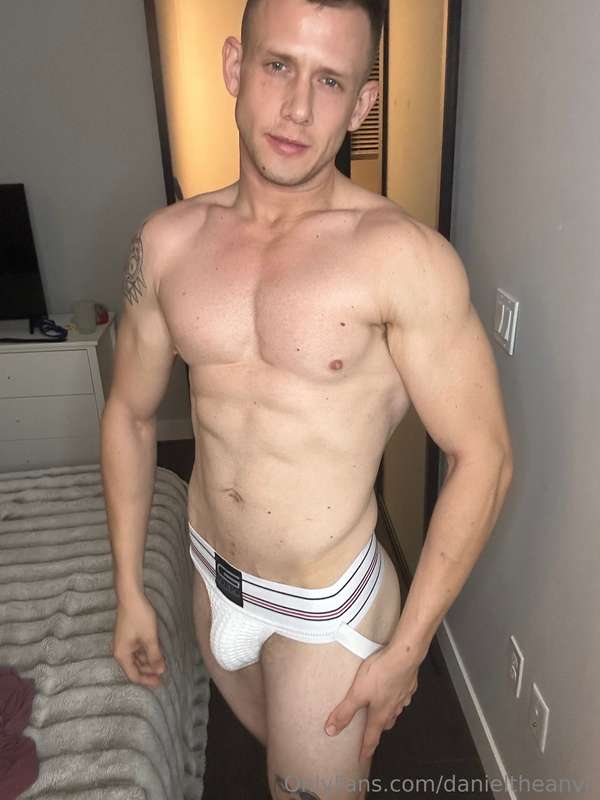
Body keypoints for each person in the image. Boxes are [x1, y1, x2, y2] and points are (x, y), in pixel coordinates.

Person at [100, 0, 513, 797]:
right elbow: (131, 414)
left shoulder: (403, 259)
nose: (297, 107)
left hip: (324, 610)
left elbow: (484, 458)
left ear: (361, 103)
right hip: (209, 573)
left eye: (329, 80)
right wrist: (129, 591)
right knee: (267, 762)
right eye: (278, 65)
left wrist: (408, 651)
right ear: (235, 66)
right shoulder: (167, 243)